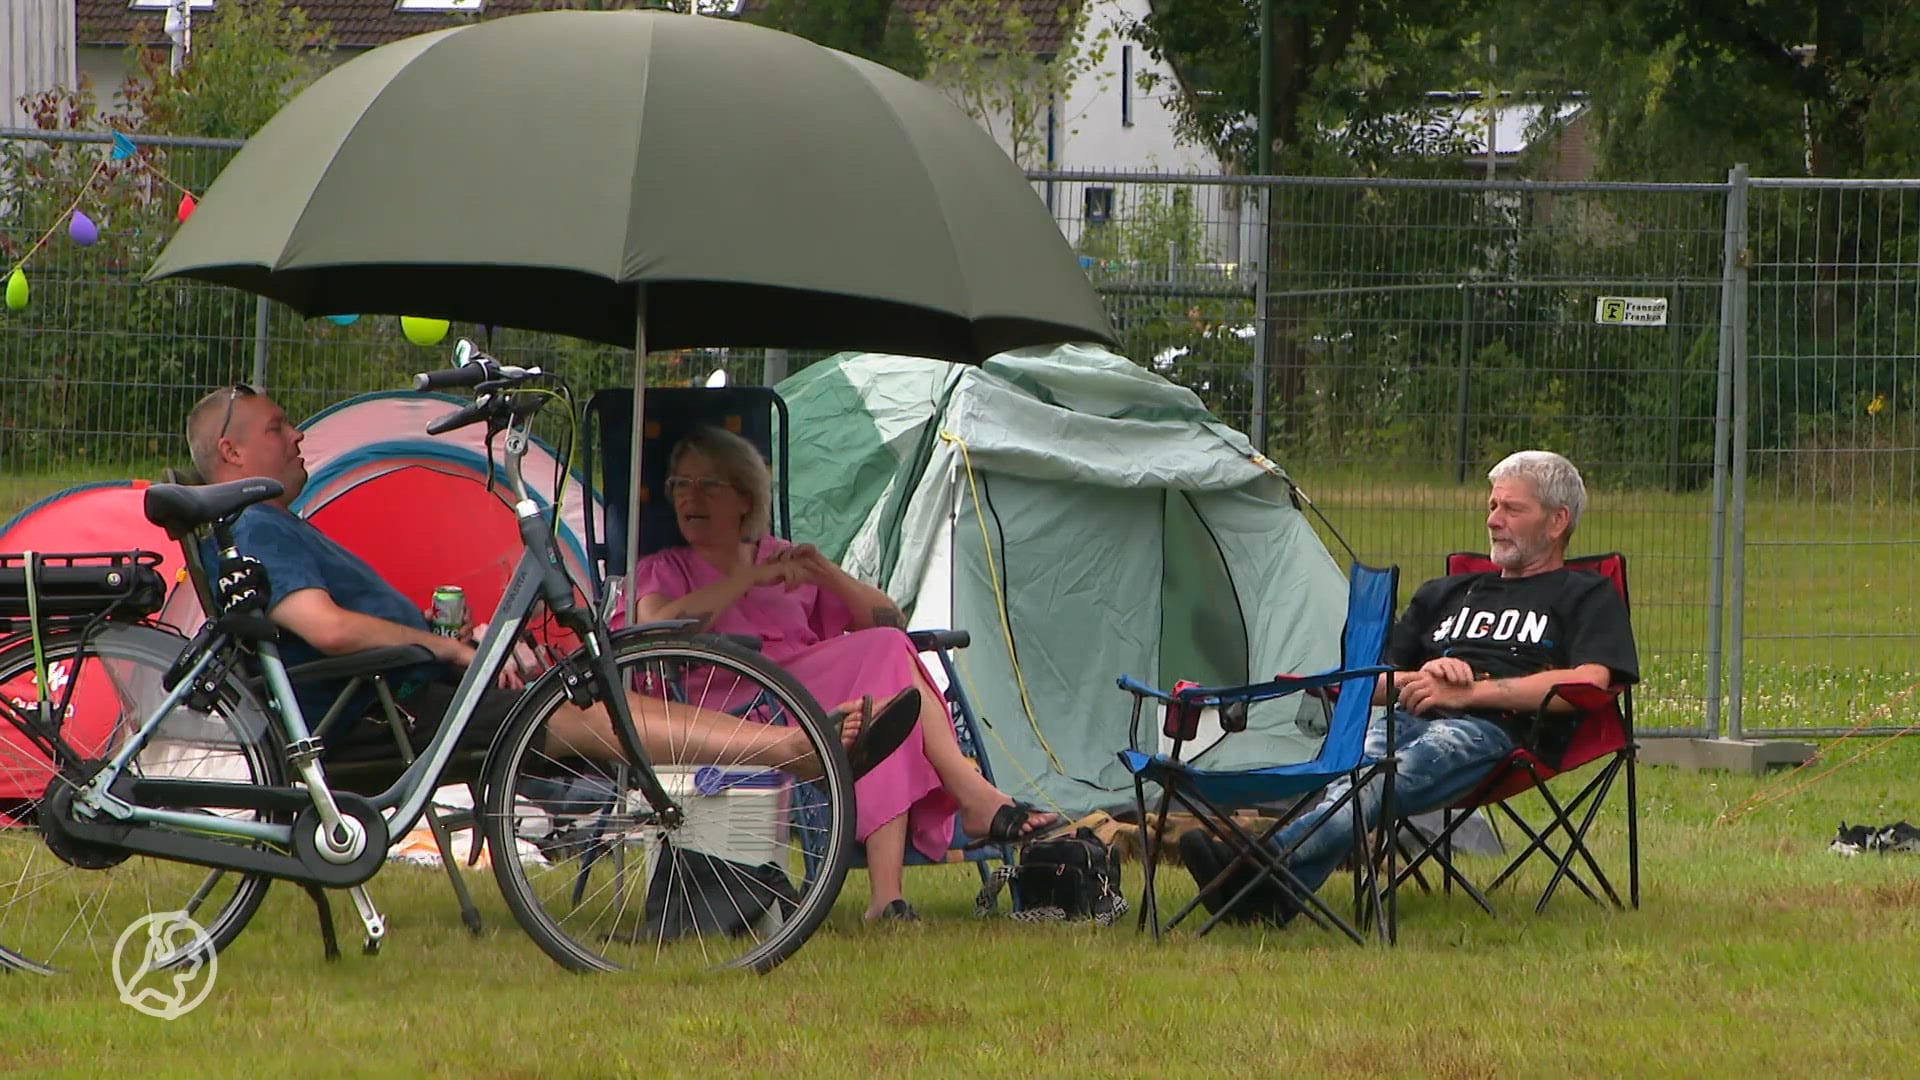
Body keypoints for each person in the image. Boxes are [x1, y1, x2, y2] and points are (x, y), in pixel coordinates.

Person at [182, 383, 903, 781]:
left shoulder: (275, 522)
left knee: (583, 695)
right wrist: (445, 651)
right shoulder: (260, 526)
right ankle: (792, 751)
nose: (299, 434)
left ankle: (793, 745)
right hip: (379, 715)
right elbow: (327, 629)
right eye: (280, 427)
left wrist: (449, 643)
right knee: (581, 713)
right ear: (231, 449)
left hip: (391, 698)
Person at [1180, 449, 1639, 924]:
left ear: (1557, 520)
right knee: (1362, 770)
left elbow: (1589, 682)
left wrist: (1471, 692)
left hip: (1499, 733)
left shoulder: (1586, 594)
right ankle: (1266, 893)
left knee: (1380, 774)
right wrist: (1425, 677)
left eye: (1511, 509)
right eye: (1492, 506)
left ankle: (1259, 861)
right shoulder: (1446, 593)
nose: (1494, 521)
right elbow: (1372, 683)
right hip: (1409, 716)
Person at [627, 426, 1061, 922]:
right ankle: (969, 796)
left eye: (707, 485)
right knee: (888, 675)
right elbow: (653, 628)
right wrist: (745, 579)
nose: (690, 497)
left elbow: (890, 619)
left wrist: (825, 573)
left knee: (887, 693)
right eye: (680, 485)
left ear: (745, 497)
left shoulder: (783, 557)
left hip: (810, 694)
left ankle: (888, 899)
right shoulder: (663, 567)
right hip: (738, 704)